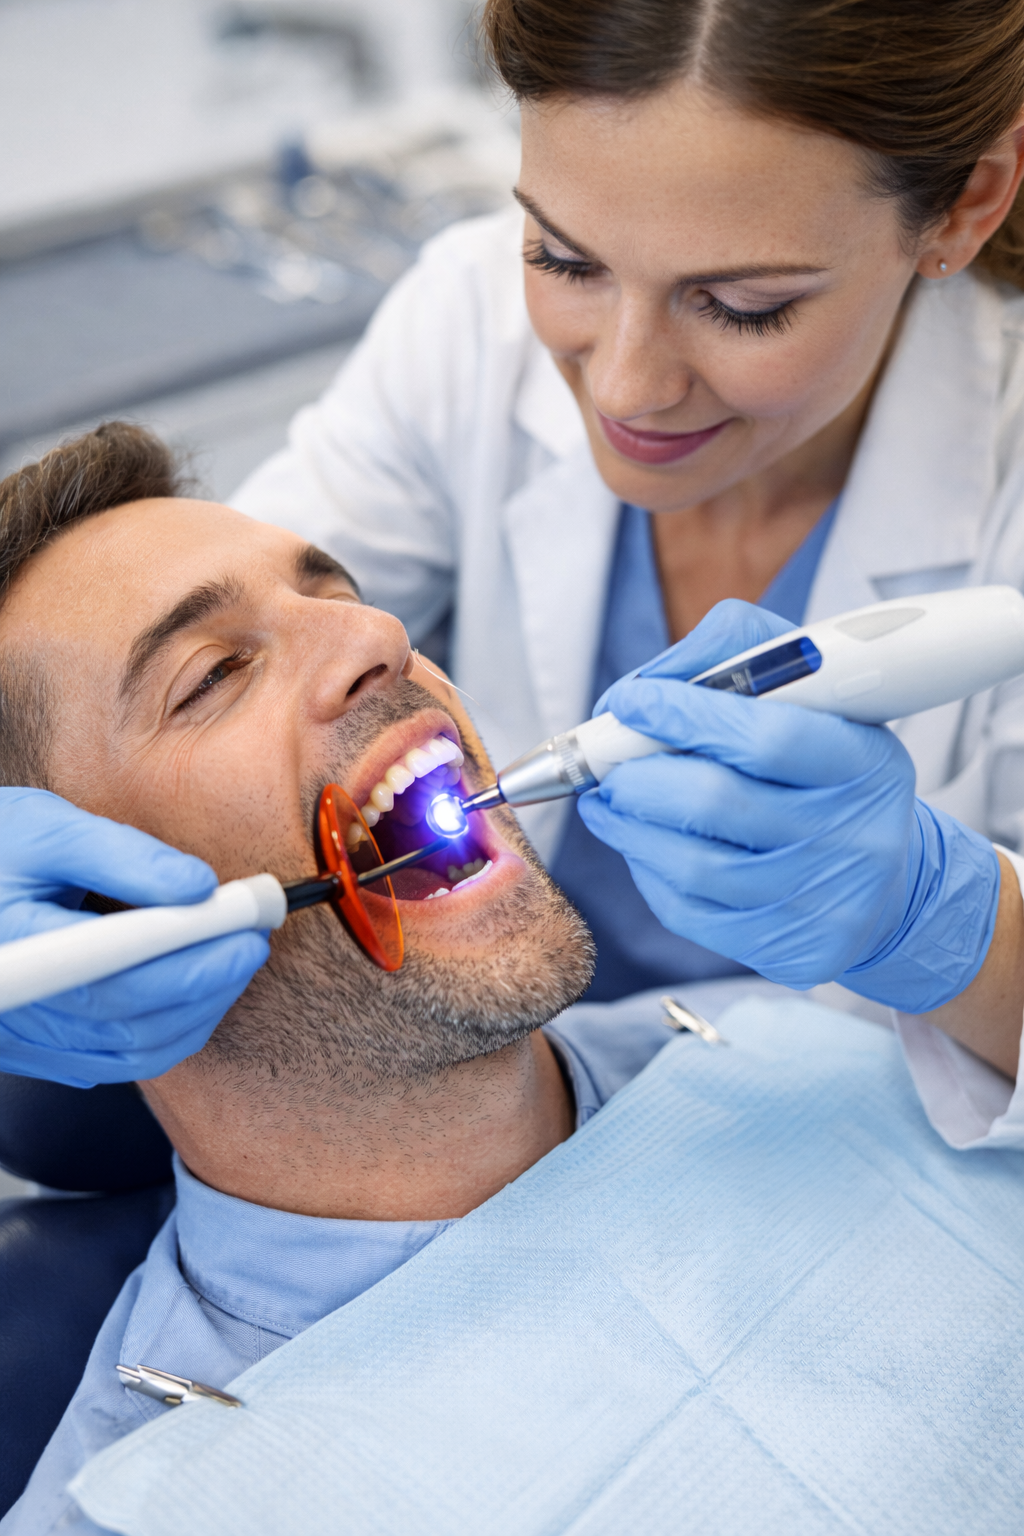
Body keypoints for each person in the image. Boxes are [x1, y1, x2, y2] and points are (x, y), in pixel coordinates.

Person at [0, 427, 1020, 1536]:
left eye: (337, 591)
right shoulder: (138, 1501)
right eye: (213, 674)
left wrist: (954, 921)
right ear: (85, 909)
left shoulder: (801, 1038)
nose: (379, 637)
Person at [231, 0, 1024, 1007]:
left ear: (966, 202)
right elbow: (235, 638)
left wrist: (942, 922)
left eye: (744, 305)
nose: (623, 389)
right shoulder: (465, 319)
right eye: (565, 260)